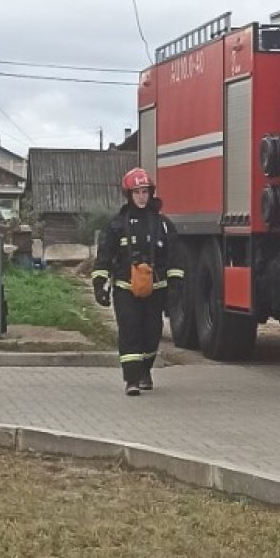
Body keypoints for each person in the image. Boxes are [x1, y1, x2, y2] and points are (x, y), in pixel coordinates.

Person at [92, 168, 184, 396]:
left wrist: (175, 285)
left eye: (145, 192)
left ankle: (145, 371)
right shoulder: (117, 225)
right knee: (130, 330)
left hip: (156, 288)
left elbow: (175, 257)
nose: (142, 196)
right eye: (137, 192)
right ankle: (131, 379)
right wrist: (99, 284)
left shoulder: (163, 224)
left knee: (152, 333)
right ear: (129, 194)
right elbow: (104, 256)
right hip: (125, 287)